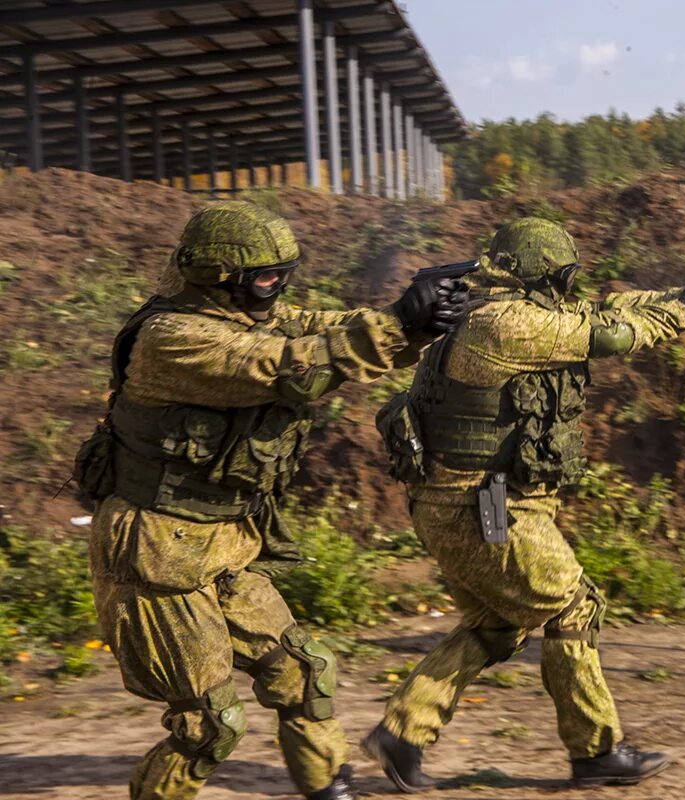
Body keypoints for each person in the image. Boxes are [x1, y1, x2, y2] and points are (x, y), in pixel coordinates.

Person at [75, 201, 468, 800]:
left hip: (224, 543)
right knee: (209, 727)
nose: (279, 288)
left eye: (285, 273)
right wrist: (395, 323)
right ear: (216, 276)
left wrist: (416, 319)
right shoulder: (173, 338)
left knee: (303, 674)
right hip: (156, 556)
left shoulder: (252, 314)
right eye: (266, 277)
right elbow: (287, 366)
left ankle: (328, 788)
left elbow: (322, 326)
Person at [367, 217, 685, 792]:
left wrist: (678, 294)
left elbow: (598, 308)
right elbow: (609, 334)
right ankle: (597, 751)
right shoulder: (505, 324)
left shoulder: (486, 309)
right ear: (546, 274)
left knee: (500, 625)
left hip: (463, 502)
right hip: (484, 505)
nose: (569, 287)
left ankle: (403, 732)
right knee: (574, 608)